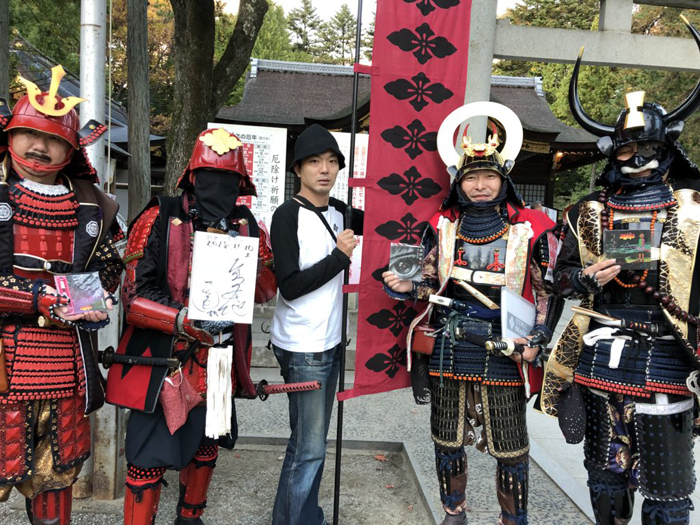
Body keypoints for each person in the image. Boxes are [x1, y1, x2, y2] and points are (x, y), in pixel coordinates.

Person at [543, 24, 700, 524]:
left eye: (646, 150)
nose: (636, 160)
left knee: (668, 493)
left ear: (666, 148)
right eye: (626, 152)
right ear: (613, 153)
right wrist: (585, 280)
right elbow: (558, 277)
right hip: (599, 354)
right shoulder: (588, 211)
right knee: (605, 479)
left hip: (670, 354)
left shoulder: (694, 209)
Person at [383, 103, 562, 525]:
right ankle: (454, 512)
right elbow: (429, 281)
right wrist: (408, 287)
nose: (480, 185)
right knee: (446, 439)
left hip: (504, 344)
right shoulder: (442, 225)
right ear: (459, 182)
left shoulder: (530, 227)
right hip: (448, 342)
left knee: (511, 443)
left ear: (504, 179)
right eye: (472, 177)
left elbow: (546, 290)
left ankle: (512, 518)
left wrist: (536, 339)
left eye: (489, 176)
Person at [106, 127, 277, 525]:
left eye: (229, 181)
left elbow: (266, 291)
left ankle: (191, 516)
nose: (219, 187)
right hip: (165, 357)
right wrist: (181, 319)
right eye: (210, 178)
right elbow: (133, 296)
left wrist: (243, 257)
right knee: (147, 453)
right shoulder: (160, 215)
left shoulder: (247, 222)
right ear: (193, 177)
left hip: (219, 358)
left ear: (240, 184)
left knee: (209, 441)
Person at [0, 65, 123, 524]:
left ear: (71, 147)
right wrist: (37, 297)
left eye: (52, 138)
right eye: (28, 134)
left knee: (59, 474)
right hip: (4, 361)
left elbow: (110, 264)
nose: (38, 147)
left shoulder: (91, 204)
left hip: (67, 360)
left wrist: (96, 295)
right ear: (9, 136)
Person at [269, 124, 363, 525]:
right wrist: (339, 258)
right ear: (298, 170)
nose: (324, 169)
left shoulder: (343, 212)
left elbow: (394, 218)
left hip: (332, 342)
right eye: (314, 162)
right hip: (302, 346)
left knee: (314, 444)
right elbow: (289, 286)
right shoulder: (287, 215)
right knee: (307, 448)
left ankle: (307, 516)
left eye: (331, 162)